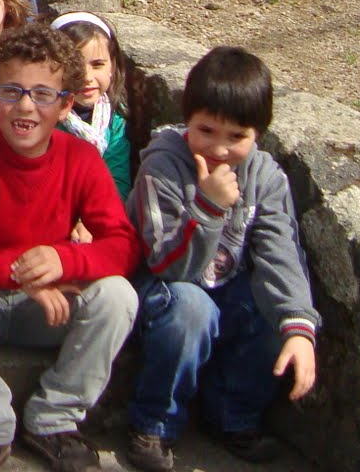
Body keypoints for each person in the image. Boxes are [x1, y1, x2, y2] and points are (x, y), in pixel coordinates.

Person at [0, 24, 140, 472]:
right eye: (11, 91)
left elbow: (123, 246)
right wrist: (19, 273)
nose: (25, 106)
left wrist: (63, 259)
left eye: (42, 94)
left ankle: (55, 417)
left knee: (118, 296)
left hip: (50, 307)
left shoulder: (81, 159)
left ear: (65, 105)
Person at [124, 47, 318, 472]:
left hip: (224, 287)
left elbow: (280, 252)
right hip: (164, 291)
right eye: (206, 130)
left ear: (258, 135)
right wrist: (208, 208)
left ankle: (232, 416)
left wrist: (298, 326)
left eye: (236, 136)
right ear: (187, 120)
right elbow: (166, 265)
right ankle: (155, 421)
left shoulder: (265, 177)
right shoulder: (163, 166)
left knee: (270, 309)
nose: (219, 148)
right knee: (192, 309)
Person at [50, 12, 137, 200]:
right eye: (74, 66)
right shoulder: (45, 119)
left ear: (112, 66)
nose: (87, 77)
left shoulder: (114, 121)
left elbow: (118, 182)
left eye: (97, 65)